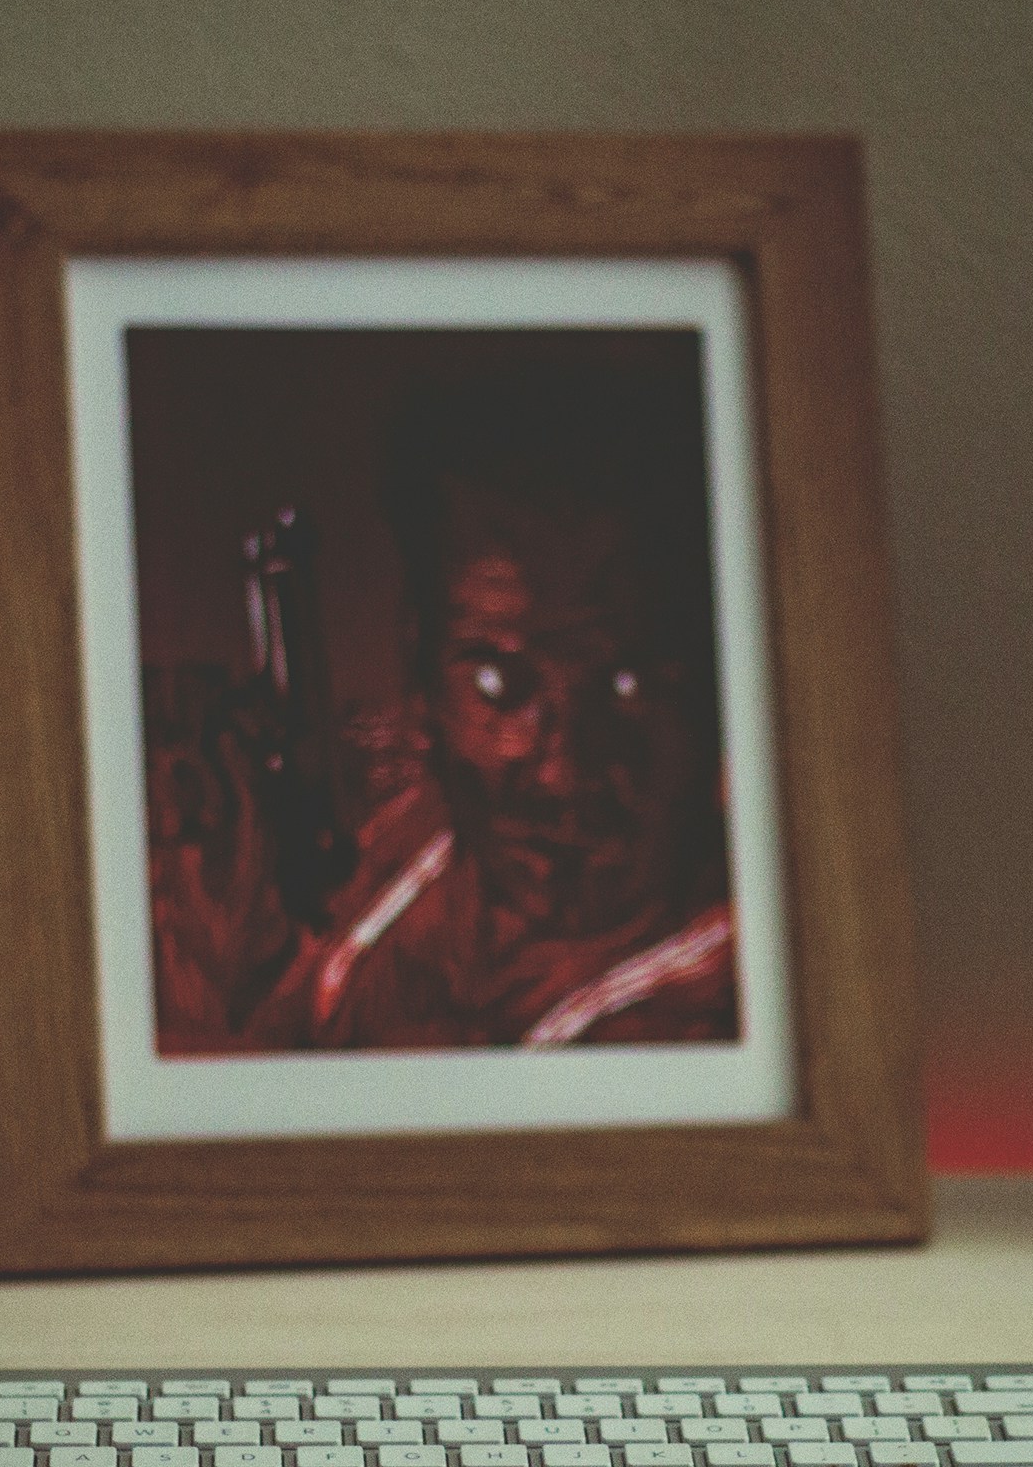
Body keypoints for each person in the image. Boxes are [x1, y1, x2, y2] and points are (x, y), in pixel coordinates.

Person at [172, 361, 741, 1052]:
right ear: (419, 663)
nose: (562, 770)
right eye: (500, 685)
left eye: (632, 690)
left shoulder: (703, 1021)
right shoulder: (417, 842)